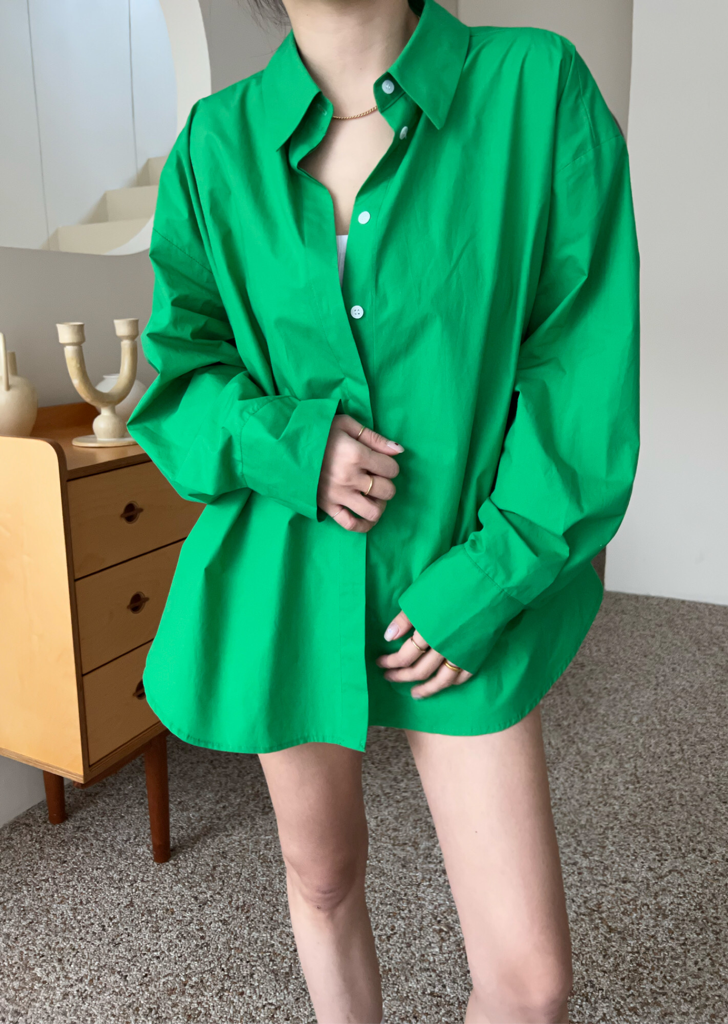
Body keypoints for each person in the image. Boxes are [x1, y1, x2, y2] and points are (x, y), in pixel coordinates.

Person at [126, 0, 640, 1020]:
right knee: (322, 878)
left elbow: (579, 374)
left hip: (464, 567)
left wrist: (489, 579)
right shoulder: (216, 143)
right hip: (288, 569)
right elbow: (178, 375)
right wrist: (293, 446)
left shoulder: (534, 88)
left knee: (531, 983)